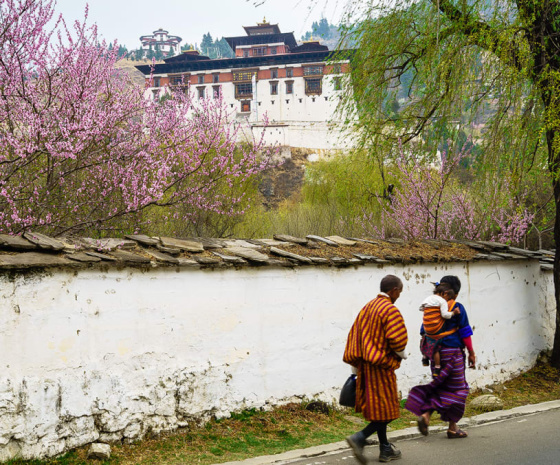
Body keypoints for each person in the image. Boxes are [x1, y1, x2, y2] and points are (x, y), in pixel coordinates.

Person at [343, 274, 408, 463]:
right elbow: (397, 342)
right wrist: (404, 354)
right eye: (400, 292)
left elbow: (354, 334)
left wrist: (355, 366)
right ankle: (360, 437)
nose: (399, 296)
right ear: (394, 290)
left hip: (365, 366)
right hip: (381, 367)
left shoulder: (367, 307)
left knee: (379, 408)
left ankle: (385, 448)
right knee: (389, 408)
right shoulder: (389, 310)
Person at [405, 275, 476, 439]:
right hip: (453, 353)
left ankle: (437, 420)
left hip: (435, 354)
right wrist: (471, 352)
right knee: (459, 389)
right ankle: (443, 422)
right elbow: (465, 332)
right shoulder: (457, 307)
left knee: (440, 386)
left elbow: (424, 331)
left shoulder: (431, 308)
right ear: (454, 293)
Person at [419, 282, 460, 376]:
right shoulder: (442, 301)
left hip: (426, 326)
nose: (448, 300)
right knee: (435, 348)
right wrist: (453, 313)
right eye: (448, 298)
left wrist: (429, 311)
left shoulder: (428, 298)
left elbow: (421, 307)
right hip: (435, 329)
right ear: (444, 293)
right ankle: (437, 367)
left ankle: (425, 357)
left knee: (426, 338)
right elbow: (445, 315)